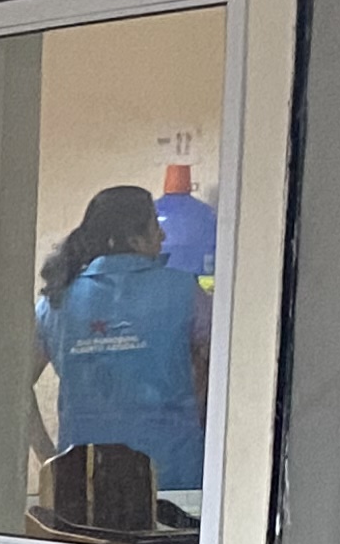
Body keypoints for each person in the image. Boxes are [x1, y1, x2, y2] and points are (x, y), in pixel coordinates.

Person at [37, 183, 211, 509]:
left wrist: (49, 457)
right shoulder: (184, 291)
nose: (162, 235)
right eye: (155, 226)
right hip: (172, 480)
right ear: (134, 239)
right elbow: (227, 365)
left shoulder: (56, 300)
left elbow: (14, 386)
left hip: (83, 482)